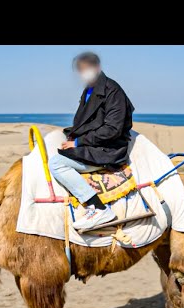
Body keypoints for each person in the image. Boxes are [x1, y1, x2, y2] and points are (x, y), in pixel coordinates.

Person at [49, 52, 135, 230]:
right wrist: (72, 137)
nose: (83, 73)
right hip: (93, 145)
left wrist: (78, 143)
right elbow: (85, 123)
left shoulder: (113, 91)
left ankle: (97, 207)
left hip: (108, 150)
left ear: (97, 67)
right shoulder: (89, 90)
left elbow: (112, 129)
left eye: (85, 69)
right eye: (80, 70)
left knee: (57, 163)